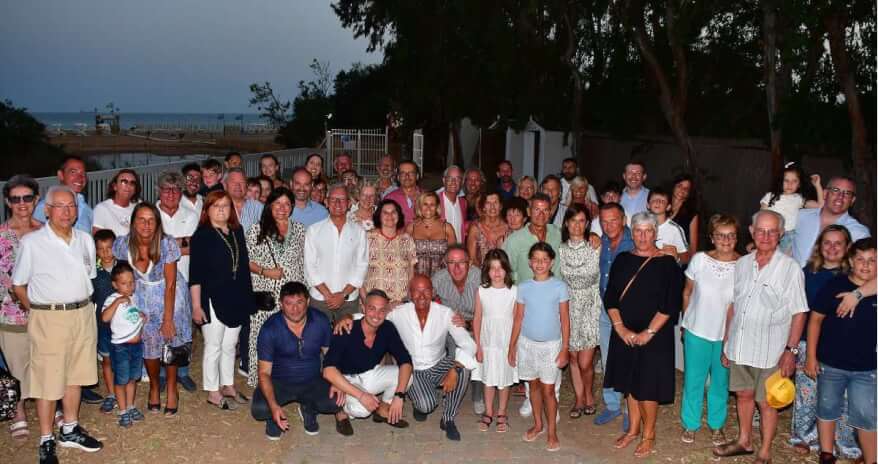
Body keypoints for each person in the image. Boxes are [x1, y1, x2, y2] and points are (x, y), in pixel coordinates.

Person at [12, 185, 103, 464]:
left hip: (82, 313)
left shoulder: (85, 239)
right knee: (48, 381)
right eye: (60, 206)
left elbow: (89, 275)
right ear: (47, 210)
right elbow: (18, 285)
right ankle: (46, 438)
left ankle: (70, 429)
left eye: (71, 206)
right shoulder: (33, 242)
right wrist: (39, 312)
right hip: (49, 317)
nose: (67, 211)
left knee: (76, 375)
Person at [715, 210, 808, 463]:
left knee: (767, 402)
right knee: (743, 394)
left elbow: (799, 312)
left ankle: (765, 451)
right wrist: (726, 342)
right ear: (751, 232)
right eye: (760, 231)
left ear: (781, 234)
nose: (765, 236)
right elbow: (733, 305)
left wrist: (791, 351)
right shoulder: (743, 264)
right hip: (740, 345)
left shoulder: (790, 268)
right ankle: (744, 441)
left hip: (772, 351)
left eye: (771, 231)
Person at [353, 275, 477, 441]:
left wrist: (455, 369)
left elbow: (469, 344)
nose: (422, 296)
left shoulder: (445, 313)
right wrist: (348, 319)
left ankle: (448, 418)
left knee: (463, 369)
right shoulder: (399, 313)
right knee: (426, 405)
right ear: (410, 294)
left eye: (426, 290)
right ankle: (421, 402)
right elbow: (371, 319)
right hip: (413, 370)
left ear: (433, 292)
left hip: (439, 364)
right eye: (416, 291)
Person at [603, 212, 684, 458]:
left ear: (655, 233)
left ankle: (649, 434)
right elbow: (611, 297)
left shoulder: (668, 264)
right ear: (632, 232)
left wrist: (649, 332)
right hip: (625, 333)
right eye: (638, 230)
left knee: (647, 387)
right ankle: (633, 429)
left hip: (655, 336)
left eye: (648, 231)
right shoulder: (622, 260)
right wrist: (620, 328)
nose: (643, 236)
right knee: (629, 384)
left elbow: (671, 304)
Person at [112, 203, 192, 417]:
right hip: (141, 296)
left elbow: (171, 284)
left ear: (157, 223)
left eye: (151, 220)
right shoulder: (123, 245)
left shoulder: (166, 244)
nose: (146, 225)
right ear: (133, 222)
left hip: (169, 295)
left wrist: (168, 319)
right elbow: (122, 275)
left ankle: (172, 388)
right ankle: (155, 386)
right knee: (149, 345)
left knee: (171, 341)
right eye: (141, 219)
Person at [790, 225, 860, 458]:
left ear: (848, 247)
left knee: (842, 397)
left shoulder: (854, 277)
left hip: (840, 345)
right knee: (807, 393)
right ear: (819, 246)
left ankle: (844, 443)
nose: (832, 248)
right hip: (807, 341)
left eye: (838, 243)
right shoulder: (807, 273)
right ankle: (804, 437)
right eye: (827, 242)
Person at [806, 238, 876, 464]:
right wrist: (810, 357)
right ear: (851, 261)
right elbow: (815, 320)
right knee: (826, 406)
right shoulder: (835, 285)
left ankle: (871, 459)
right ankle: (827, 454)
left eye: (872, 260)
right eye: (860, 259)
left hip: (867, 368)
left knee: (866, 414)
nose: (866, 265)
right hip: (831, 363)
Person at [250, 281, 349, 440]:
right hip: (279, 383)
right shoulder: (270, 329)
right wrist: (273, 406)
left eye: (299, 302)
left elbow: (330, 356)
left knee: (336, 401)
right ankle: (273, 418)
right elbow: (264, 373)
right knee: (260, 409)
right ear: (281, 304)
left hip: (312, 380)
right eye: (289, 303)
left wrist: (338, 382)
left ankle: (309, 409)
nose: (295, 309)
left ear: (308, 302)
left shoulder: (320, 321)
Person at [189, 191, 254, 410]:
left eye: (225, 205)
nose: (221, 210)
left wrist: (248, 298)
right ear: (207, 210)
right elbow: (195, 275)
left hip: (236, 297)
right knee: (214, 345)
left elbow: (243, 268)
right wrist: (196, 306)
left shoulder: (237, 231)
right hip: (212, 298)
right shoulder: (202, 236)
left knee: (229, 345)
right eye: (215, 206)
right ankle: (213, 391)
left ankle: (228, 385)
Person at [679, 214, 740, 445]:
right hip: (697, 331)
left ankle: (716, 426)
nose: (726, 240)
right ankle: (690, 424)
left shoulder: (744, 265)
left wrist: (732, 337)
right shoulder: (700, 260)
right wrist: (685, 323)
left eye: (731, 235)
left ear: (737, 238)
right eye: (721, 235)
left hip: (726, 337)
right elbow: (687, 293)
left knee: (720, 383)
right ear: (712, 237)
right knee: (693, 380)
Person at [322, 289, 413, 433]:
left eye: (382, 310)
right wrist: (361, 395)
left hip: (370, 374)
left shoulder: (387, 328)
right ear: (363, 308)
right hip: (346, 380)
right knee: (363, 410)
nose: (377, 315)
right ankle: (341, 411)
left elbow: (405, 361)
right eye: (372, 308)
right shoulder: (347, 328)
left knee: (407, 376)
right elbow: (328, 370)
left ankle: (383, 408)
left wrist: (399, 396)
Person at [508, 242, 570, 452]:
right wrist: (512, 346)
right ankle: (538, 424)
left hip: (551, 346)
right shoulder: (524, 287)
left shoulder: (559, 287)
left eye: (544, 260)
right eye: (536, 259)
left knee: (549, 391)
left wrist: (565, 348)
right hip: (527, 345)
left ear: (551, 262)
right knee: (533, 387)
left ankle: (552, 431)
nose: (540, 263)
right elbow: (518, 318)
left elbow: (565, 319)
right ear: (529, 262)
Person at [245, 187, 306, 388]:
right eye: (277, 203)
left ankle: (286, 378)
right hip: (267, 294)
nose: (282, 208)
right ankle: (259, 380)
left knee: (290, 337)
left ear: (292, 207)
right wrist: (265, 271)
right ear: (270, 205)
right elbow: (246, 260)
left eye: (287, 204)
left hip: (292, 296)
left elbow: (304, 262)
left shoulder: (300, 230)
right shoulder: (257, 229)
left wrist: (305, 294)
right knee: (262, 336)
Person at [0, 175, 42, 441]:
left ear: (36, 199)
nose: (22, 203)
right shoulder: (1, 236)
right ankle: (18, 412)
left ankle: (51, 406)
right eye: (16, 199)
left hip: (45, 311)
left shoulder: (46, 232)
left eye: (27, 197)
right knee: (16, 364)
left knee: (45, 360)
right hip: (11, 312)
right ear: (8, 202)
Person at [154, 172, 199, 392]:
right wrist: (180, 243)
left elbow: (195, 245)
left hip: (186, 279)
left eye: (175, 189)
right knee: (161, 326)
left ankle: (182, 371)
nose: (171, 194)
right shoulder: (150, 213)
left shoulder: (191, 215)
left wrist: (165, 243)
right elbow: (148, 246)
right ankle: (163, 373)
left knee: (184, 328)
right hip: (156, 282)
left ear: (181, 192)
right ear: (158, 191)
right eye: (166, 189)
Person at [558, 204, 602, 418]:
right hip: (568, 306)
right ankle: (579, 399)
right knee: (574, 359)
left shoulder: (595, 246)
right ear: (566, 223)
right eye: (573, 220)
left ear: (587, 224)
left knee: (585, 361)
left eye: (581, 221)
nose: (577, 225)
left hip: (590, 307)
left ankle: (589, 395)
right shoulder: (560, 249)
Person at [594, 202, 634, 429]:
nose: (609, 226)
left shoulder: (634, 241)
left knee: (627, 359)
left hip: (627, 311)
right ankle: (612, 405)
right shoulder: (602, 241)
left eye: (614, 220)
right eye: (604, 221)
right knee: (608, 358)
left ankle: (629, 409)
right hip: (605, 309)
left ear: (624, 220)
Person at [304, 184, 368, 322]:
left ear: (349, 204)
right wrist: (327, 295)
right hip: (320, 299)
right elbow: (309, 267)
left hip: (349, 300)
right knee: (319, 335)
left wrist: (343, 295)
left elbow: (361, 266)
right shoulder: (314, 231)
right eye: (333, 199)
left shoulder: (359, 232)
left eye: (342, 199)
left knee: (348, 335)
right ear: (326, 202)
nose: (338, 203)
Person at [431, 244, 483, 414]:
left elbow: (491, 311)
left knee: (479, 344)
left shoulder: (479, 277)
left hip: (477, 323)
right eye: (452, 263)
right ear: (445, 264)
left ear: (470, 263)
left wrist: (469, 324)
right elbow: (421, 296)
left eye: (461, 262)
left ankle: (478, 394)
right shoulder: (439, 278)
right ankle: (443, 388)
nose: (457, 267)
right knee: (447, 344)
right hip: (451, 326)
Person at [472, 249, 518, 433]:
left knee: (504, 379)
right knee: (488, 378)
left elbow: (517, 319)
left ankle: (502, 412)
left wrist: (513, 346)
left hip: (506, 342)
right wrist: (478, 345)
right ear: (487, 271)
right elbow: (477, 318)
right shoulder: (482, 291)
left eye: (500, 268)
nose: (497, 272)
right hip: (488, 342)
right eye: (492, 268)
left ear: (507, 269)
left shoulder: (513, 291)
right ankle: (489, 411)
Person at [100, 262, 146, 428]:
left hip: (136, 346)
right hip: (121, 347)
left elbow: (131, 317)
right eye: (124, 283)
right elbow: (105, 317)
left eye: (132, 282)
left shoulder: (133, 299)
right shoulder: (112, 299)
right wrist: (117, 302)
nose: (129, 286)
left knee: (132, 378)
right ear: (115, 284)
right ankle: (123, 411)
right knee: (121, 380)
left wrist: (141, 317)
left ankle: (131, 406)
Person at [792, 176, 871, 268]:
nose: (840, 196)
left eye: (847, 193)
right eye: (836, 190)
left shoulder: (859, 232)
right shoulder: (801, 216)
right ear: (825, 194)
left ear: (852, 200)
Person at [361, 199, 417, 307]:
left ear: (399, 215)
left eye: (393, 212)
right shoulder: (367, 238)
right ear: (379, 216)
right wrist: (366, 301)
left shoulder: (407, 239)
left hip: (400, 303)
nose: (390, 215)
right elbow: (358, 273)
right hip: (374, 305)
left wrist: (405, 301)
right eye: (385, 212)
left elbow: (411, 274)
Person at [760, 163, 823, 254]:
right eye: (786, 180)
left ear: (799, 184)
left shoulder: (799, 199)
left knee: (785, 260)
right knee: (770, 257)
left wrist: (817, 185)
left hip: (790, 236)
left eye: (794, 181)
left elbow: (820, 206)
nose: (790, 184)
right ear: (780, 181)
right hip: (771, 233)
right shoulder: (770, 196)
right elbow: (760, 217)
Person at [503, 193, 561, 283]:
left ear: (550, 213)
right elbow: (505, 270)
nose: (541, 214)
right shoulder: (514, 240)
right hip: (526, 290)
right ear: (529, 211)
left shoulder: (557, 233)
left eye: (545, 210)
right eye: (537, 209)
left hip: (555, 289)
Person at [92, 229, 120, 412]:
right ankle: (111, 394)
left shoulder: (124, 268)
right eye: (101, 249)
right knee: (107, 360)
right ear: (95, 251)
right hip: (103, 325)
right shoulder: (94, 272)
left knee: (122, 359)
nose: (105, 252)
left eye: (109, 248)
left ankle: (123, 392)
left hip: (124, 325)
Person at [34, 155, 93, 233]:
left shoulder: (87, 210)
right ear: (61, 175)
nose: (80, 177)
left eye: (83, 173)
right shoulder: (45, 208)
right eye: (73, 172)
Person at [406, 191, 456, 278]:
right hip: (417, 279)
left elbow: (454, 257)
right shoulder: (411, 228)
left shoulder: (447, 228)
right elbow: (404, 257)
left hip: (442, 278)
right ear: (420, 206)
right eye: (425, 204)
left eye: (432, 204)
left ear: (437, 207)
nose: (428, 208)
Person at [466, 192, 509, 267]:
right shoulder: (475, 228)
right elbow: (472, 258)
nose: (492, 207)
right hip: (480, 272)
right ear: (483, 207)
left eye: (495, 202)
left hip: (505, 271)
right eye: (488, 203)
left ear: (500, 206)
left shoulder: (508, 227)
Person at [92, 169, 140, 236]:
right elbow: (98, 240)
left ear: (135, 190)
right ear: (115, 186)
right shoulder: (101, 209)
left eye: (132, 183)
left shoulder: (139, 207)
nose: (128, 185)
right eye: (124, 182)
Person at [647, 187, 689, 263]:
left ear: (668, 207)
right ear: (648, 205)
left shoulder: (675, 229)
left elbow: (686, 257)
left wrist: (677, 257)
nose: (658, 202)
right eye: (654, 200)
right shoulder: (641, 225)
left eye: (662, 201)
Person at [669, 174, 700, 258]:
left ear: (689, 193)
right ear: (673, 187)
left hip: (679, 258)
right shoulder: (662, 206)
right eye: (679, 186)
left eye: (686, 189)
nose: (682, 190)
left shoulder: (692, 214)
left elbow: (693, 248)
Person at [384, 160, 421, 225]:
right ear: (398, 177)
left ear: (417, 176)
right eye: (403, 173)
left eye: (411, 173)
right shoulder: (389, 198)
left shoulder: (427, 197)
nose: (407, 176)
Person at [437, 165, 468, 244]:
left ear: (462, 182)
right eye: (450, 178)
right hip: (441, 248)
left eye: (457, 179)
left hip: (459, 249)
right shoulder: (435, 201)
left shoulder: (463, 203)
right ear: (444, 180)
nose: (453, 182)